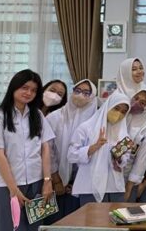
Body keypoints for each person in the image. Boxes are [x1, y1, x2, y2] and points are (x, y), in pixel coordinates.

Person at [0, 69, 55, 231]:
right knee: (9, 227)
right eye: (25, 87)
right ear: (14, 87)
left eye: (34, 90)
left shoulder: (37, 115)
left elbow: (45, 148)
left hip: (35, 182)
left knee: (35, 227)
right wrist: (13, 189)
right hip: (7, 184)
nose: (29, 93)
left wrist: (47, 181)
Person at [68, 90, 131, 205]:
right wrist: (94, 147)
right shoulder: (86, 128)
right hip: (89, 186)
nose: (119, 114)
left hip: (114, 187)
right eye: (116, 108)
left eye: (123, 112)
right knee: (91, 217)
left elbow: (125, 161)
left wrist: (118, 157)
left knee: (116, 216)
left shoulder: (123, 133)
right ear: (108, 106)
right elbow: (71, 155)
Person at [46, 79, 97, 219]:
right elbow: (48, 151)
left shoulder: (96, 122)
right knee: (53, 222)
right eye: (77, 91)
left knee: (77, 221)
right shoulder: (54, 118)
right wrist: (56, 180)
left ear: (93, 97)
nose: (80, 95)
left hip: (83, 184)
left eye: (86, 93)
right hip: (56, 181)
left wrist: (77, 183)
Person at [124, 89, 146, 202]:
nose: (136, 102)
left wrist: (129, 187)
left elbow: (141, 162)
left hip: (127, 179)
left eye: (142, 103)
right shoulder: (122, 115)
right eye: (136, 98)